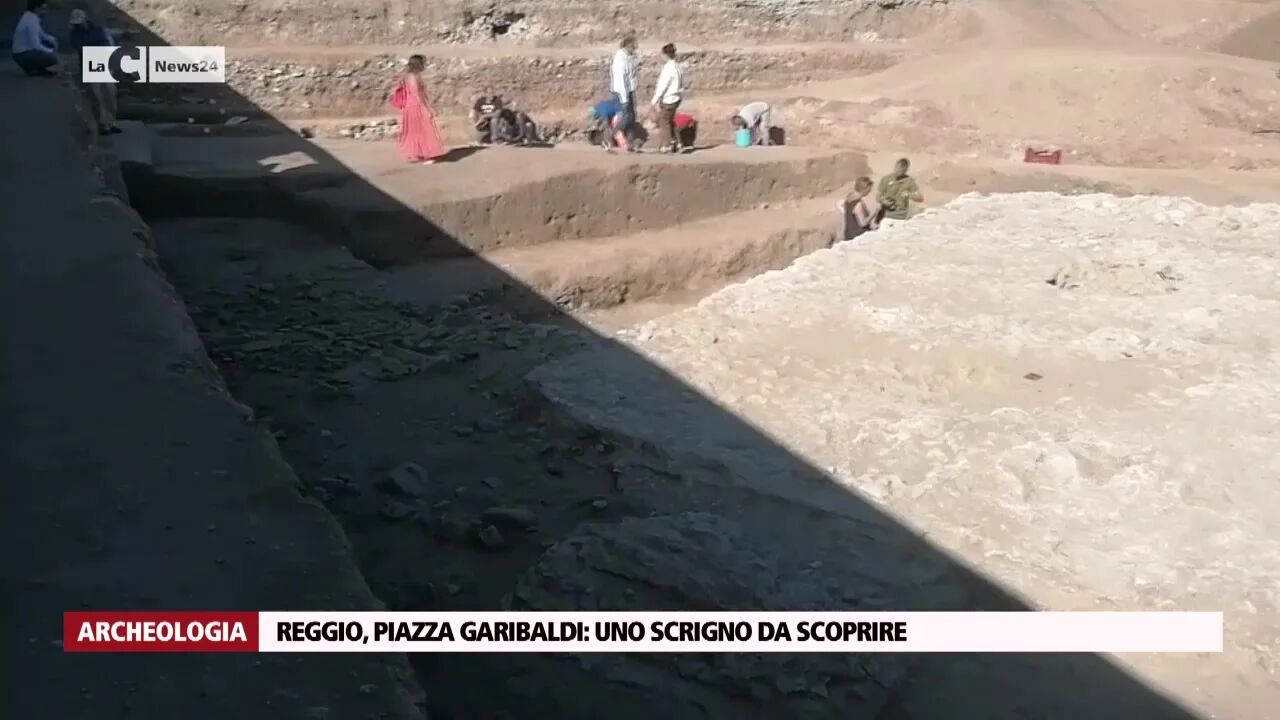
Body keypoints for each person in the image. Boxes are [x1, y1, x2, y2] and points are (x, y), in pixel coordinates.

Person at [69, 9, 120, 135]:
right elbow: (79, 46)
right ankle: (102, 125)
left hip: (103, 63)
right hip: (88, 65)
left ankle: (111, 123)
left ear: (85, 19)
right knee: (95, 97)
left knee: (110, 95)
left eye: (79, 22)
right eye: (75, 23)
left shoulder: (97, 29)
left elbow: (105, 44)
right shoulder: (74, 33)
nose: (78, 25)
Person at [393, 55, 446, 164]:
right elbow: (416, 94)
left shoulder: (408, 76)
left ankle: (418, 153)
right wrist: (426, 109)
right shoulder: (413, 77)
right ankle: (428, 154)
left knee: (415, 131)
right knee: (425, 129)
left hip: (410, 107)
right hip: (416, 107)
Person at [650, 43, 684, 153]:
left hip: (669, 99)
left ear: (665, 55)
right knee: (670, 121)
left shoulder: (668, 68)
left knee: (664, 122)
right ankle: (678, 143)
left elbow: (662, 86)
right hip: (677, 98)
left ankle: (667, 145)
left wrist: (654, 100)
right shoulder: (678, 67)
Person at [11, 0, 60, 77]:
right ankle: (33, 68)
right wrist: (51, 51)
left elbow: (42, 34)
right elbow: (35, 45)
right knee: (53, 58)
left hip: (20, 54)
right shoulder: (31, 20)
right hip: (22, 55)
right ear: (36, 8)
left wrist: (53, 40)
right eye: (43, 9)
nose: (45, 12)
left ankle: (36, 69)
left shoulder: (30, 17)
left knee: (49, 46)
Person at [610, 35, 638, 150]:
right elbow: (621, 80)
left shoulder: (628, 57)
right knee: (625, 117)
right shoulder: (620, 59)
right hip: (622, 93)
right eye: (634, 46)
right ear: (628, 46)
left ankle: (629, 142)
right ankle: (612, 135)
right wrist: (624, 98)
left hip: (628, 91)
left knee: (631, 117)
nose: (635, 49)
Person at [838, 177, 879, 241]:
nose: (870, 191)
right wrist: (874, 212)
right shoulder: (858, 204)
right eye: (869, 189)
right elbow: (863, 223)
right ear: (864, 189)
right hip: (858, 236)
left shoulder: (848, 198)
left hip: (849, 234)